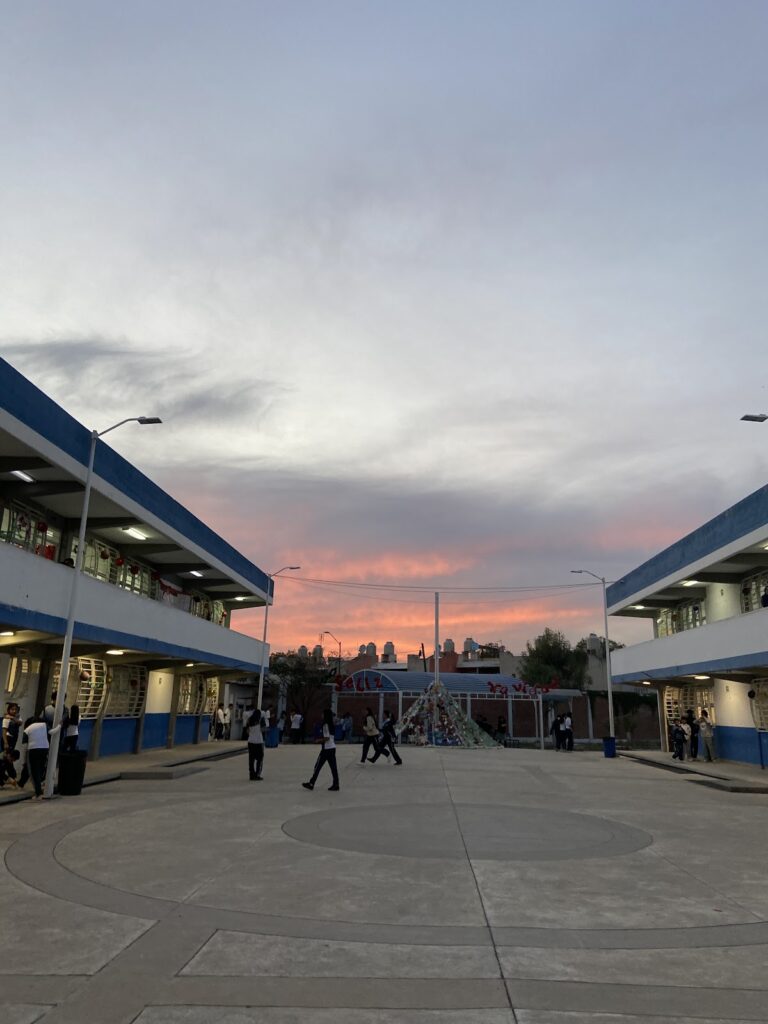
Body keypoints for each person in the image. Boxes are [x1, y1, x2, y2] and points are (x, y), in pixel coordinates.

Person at [302, 708, 340, 791]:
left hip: (326, 749)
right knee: (333, 767)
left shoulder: (325, 725)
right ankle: (336, 784)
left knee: (318, 766)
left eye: (322, 714)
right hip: (332, 748)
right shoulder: (331, 724)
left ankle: (311, 783)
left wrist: (318, 740)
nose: (321, 715)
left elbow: (326, 738)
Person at [23, 714, 50, 798]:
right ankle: (40, 785)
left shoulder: (28, 729)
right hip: (45, 749)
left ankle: (38, 792)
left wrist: (25, 759)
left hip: (33, 750)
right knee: (41, 769)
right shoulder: (45, 726)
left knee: (34, 772)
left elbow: (24, 744)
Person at [245, 707, 266, 780]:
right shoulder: (261, 720)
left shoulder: (249, 720)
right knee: (260, 759)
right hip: (259, 742)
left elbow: (247, 731)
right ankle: (257, 774)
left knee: (251, 759)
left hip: (250, 741)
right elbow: (263, 729)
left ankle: (251, 774)